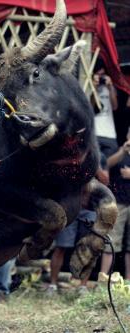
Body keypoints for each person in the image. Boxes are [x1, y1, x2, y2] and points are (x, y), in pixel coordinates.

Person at [100, 128, 130, 283]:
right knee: (111, 242)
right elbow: (106, 165)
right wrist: (122, 152)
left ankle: (128, 280)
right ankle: (104, 279)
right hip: (118, 203)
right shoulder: (119, 152)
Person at [47, 209, 97, 295]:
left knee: (88, 248)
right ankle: (52, 285)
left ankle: (83, 287)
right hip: (69, 208)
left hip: (91, 207)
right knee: (61, 246)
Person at [93, 61, 118, 158]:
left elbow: (115, 106)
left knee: (108, 167)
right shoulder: (89, 86)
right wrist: (94, 87)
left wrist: (110, 86)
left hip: (110, 134)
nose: (101, 78)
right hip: (95, 134)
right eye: (98, 75)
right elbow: (90, 106)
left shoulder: (109, 88)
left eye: (103, 75)